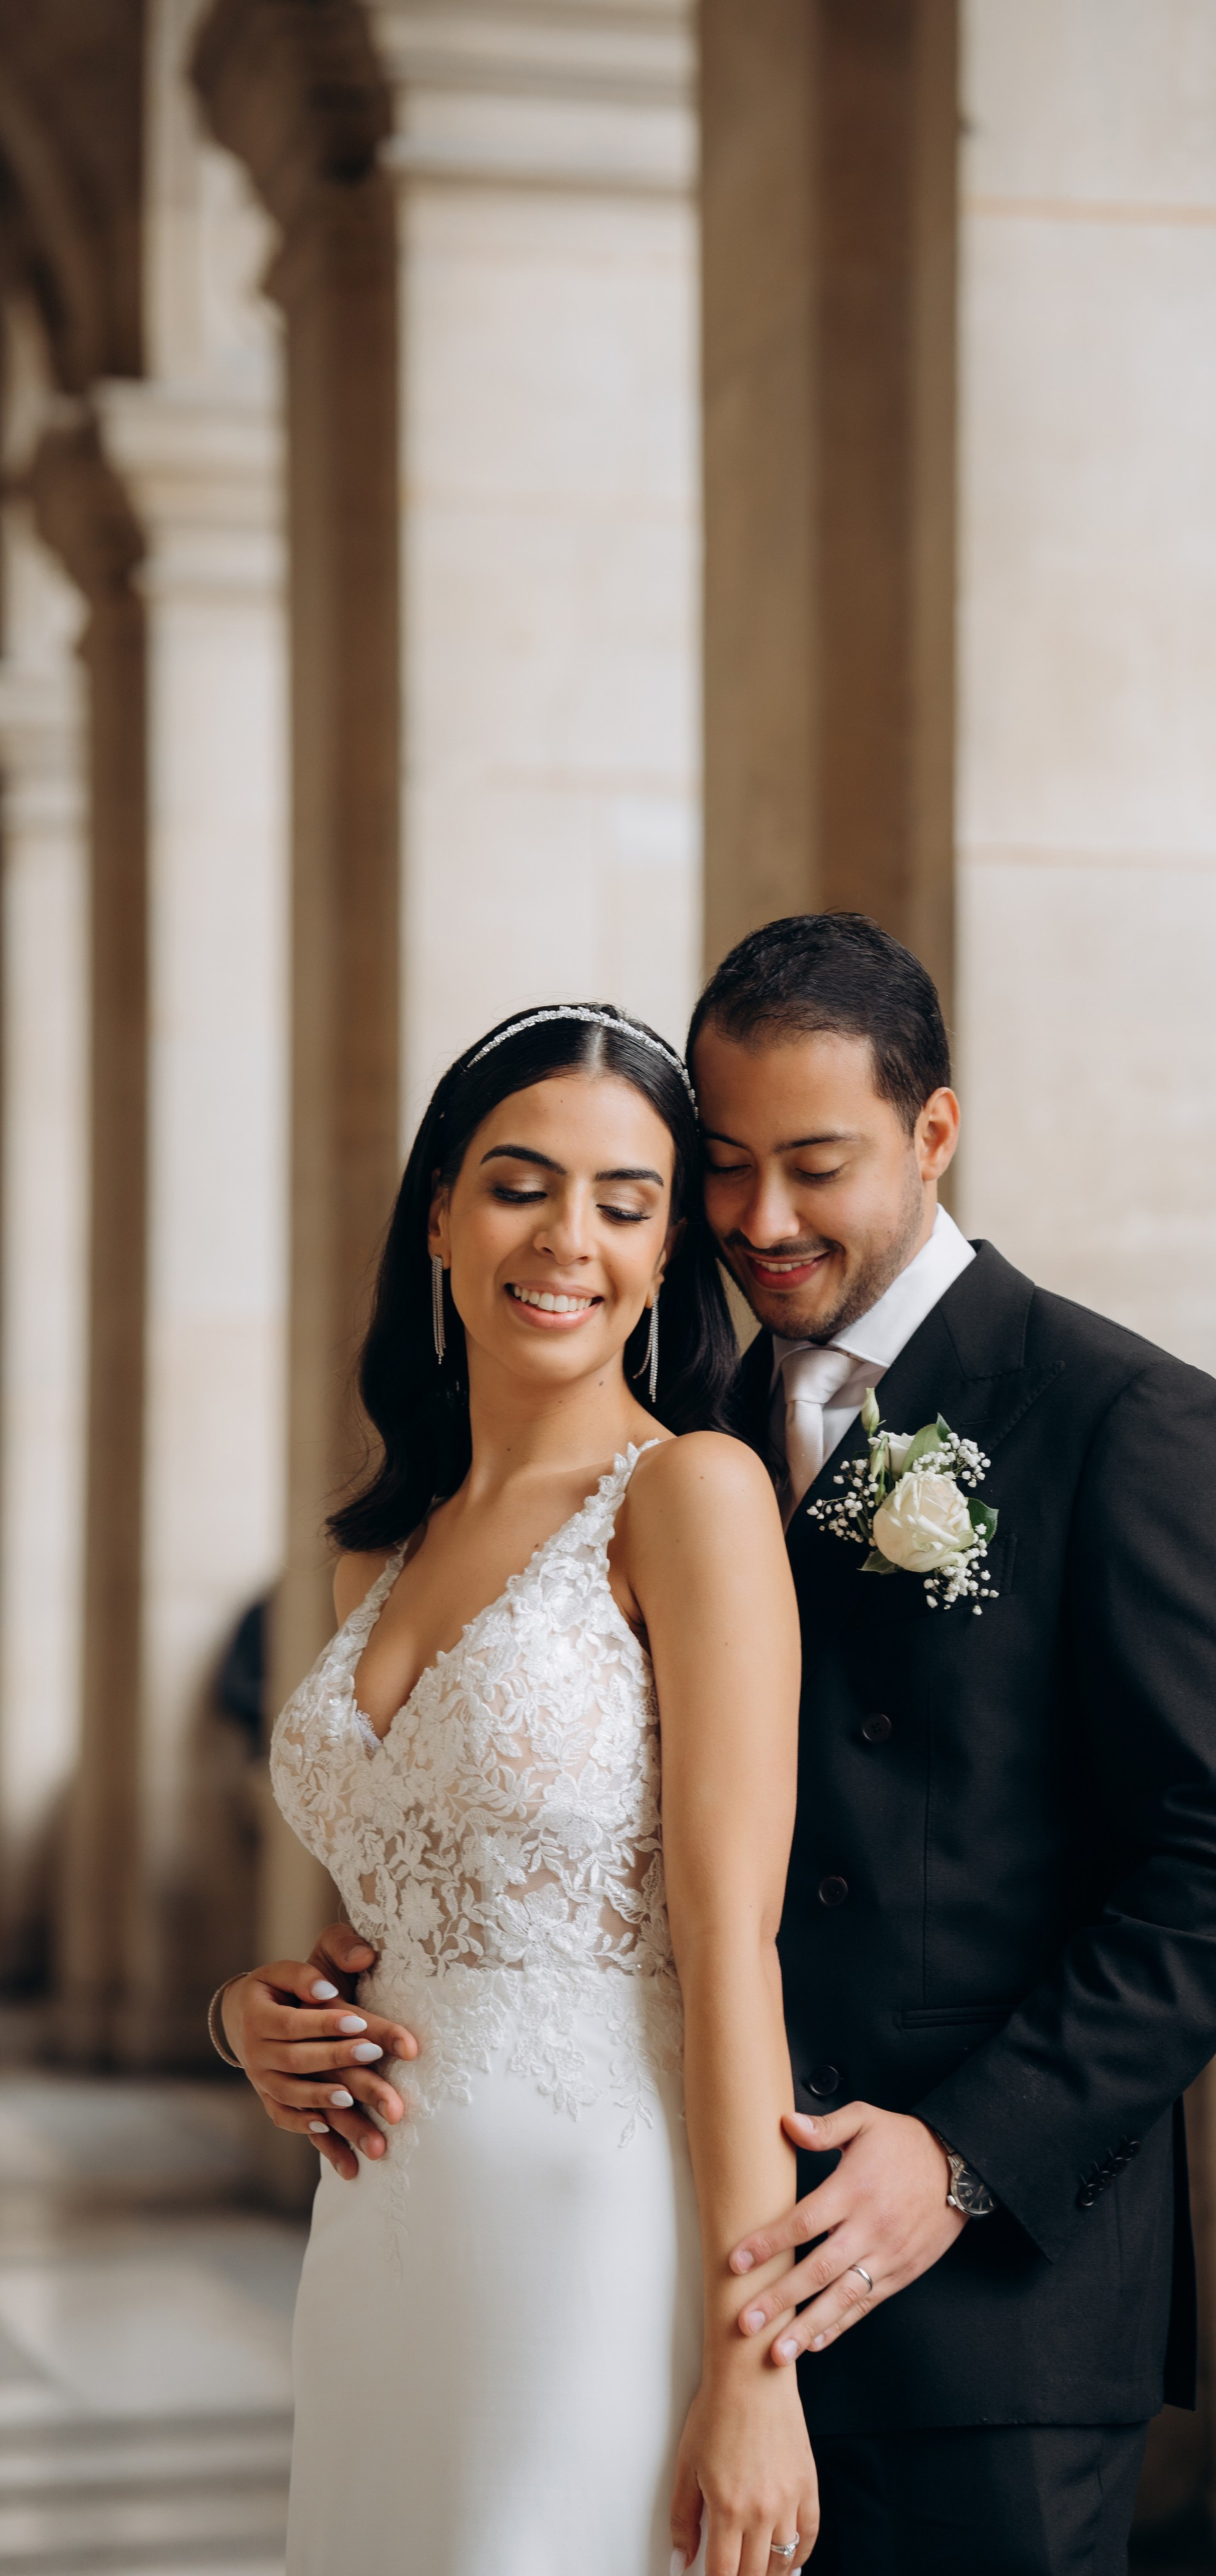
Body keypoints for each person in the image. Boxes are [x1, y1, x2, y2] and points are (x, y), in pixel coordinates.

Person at [225, 917, 1216, 2575]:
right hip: (665, 2240)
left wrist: (959, 2156)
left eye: (813, 1165)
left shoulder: (1119, 1417)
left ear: (931, 1132)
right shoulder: (691, 1428)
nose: (762, 1220)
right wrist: (281, 2003)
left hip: (982, 2305)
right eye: (722, 1169)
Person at [212, 1002, 817, 2575]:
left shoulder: (690, 1495)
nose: (567, 1241)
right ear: (438, 1211)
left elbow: (730, 1944)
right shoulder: (373, 1552)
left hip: (594, 2236)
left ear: (669, 1244)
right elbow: (376, 1914)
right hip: (381, 2236)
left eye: (623, 1204)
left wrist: (756, 2374)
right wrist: (250, 2019)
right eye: (518, 1184)